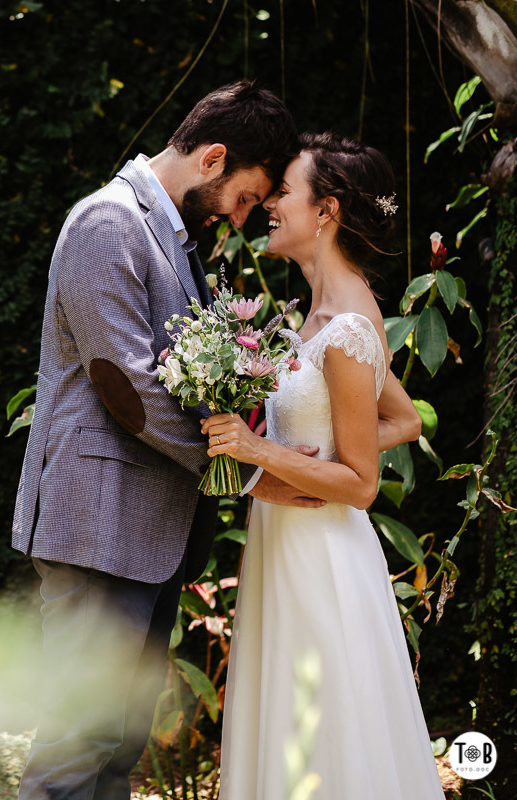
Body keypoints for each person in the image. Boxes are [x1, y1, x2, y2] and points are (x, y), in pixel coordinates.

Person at [11, 82, 422, 800]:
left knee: (116, 744)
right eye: (245, 196)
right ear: (213, 160)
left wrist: (269, 451)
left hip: (150, 535)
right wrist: (257, 471)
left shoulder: (176, 240)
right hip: (97, 526)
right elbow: (126, 387)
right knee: (78, 741)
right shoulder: (108, 223)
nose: (244, 215)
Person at [203, 132, 441, 799]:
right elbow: (405, 420)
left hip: (321, 557)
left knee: (322, 736)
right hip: (285, 543)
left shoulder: (349, 328)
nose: (272, 205)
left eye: (285, 192)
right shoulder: (325, 317)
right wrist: (296, 465)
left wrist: (257, 452)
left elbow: (361, 485)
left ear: (326, 210)